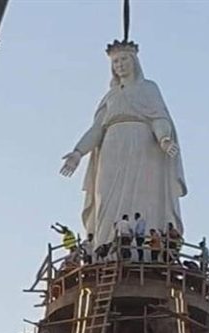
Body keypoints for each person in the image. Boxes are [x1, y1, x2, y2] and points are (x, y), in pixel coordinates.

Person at [59, 40, 187, 251]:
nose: (119, 65)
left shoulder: (148, 88)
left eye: (124, 59)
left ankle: (145, 249)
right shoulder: (110, 96)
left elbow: (159, 118)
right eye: (116, 61)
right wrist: (78, 152)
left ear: (134, 61)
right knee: (106, 198)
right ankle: (105, 246)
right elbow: (96, 129)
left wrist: (164, 138)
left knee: (145, 197)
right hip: (111, 148)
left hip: (144, 147)